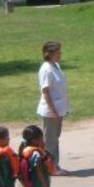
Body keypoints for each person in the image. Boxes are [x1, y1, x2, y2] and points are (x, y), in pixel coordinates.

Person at [37, 41, 70, 174]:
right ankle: (50, 167)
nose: (60, 54)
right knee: (50, 140)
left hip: (59, 108)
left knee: (55, 138)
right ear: (48, 54)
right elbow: (45, 91)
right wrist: (53, 110)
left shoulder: (55, 66)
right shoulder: (46, 69)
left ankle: (54, 164)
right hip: (51, 110)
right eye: (57, 52)